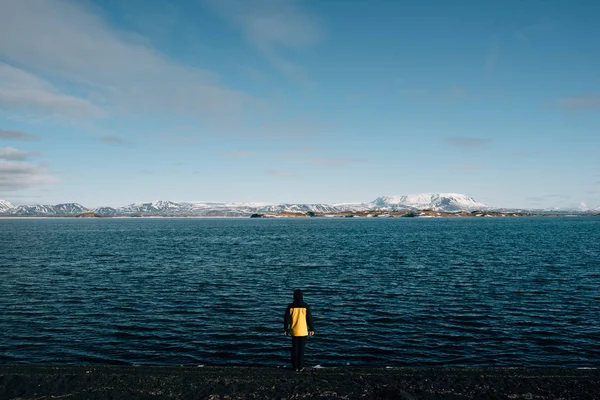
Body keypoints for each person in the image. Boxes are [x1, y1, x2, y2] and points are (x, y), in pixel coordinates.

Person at [283, 289, 314, 371]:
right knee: (301, 350)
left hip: (294, 331)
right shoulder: (305, 306)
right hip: (303, 331)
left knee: (295, 349)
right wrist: (311, 328)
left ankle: (295, 366)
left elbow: (287, 318)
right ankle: (300, 366)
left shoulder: (290, 306)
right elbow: (309, 318)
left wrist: (286, 329)